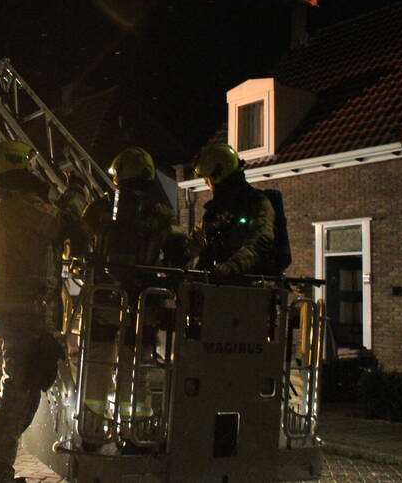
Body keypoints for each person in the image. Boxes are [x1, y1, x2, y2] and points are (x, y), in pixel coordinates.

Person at [0, 140, 68, 483]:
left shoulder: (8, 200)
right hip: (21, 313)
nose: (32, 171)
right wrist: (71, 201)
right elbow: (58, 224)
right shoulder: (18, 202)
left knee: (6, 391)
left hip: (13, 311)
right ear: (15, 166)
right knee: (17, 396)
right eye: (27, 165)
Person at [82, 147, 187, 428]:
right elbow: (177, 255)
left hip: (103, 298)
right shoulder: (161, 214)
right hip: (143, 301)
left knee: (97, 364)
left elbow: (79, 239)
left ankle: (91, 428)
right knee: (136, 367)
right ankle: (136, 429)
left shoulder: (99, 208)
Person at [189, 143, 283, 281]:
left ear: (217, 175)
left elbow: (259, 242)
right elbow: (197, 240)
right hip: (216, 287)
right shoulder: (215, 212)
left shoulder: (257, 203)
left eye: (207, 180)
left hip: (252, 289)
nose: (206, 184)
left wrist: (231, 267)